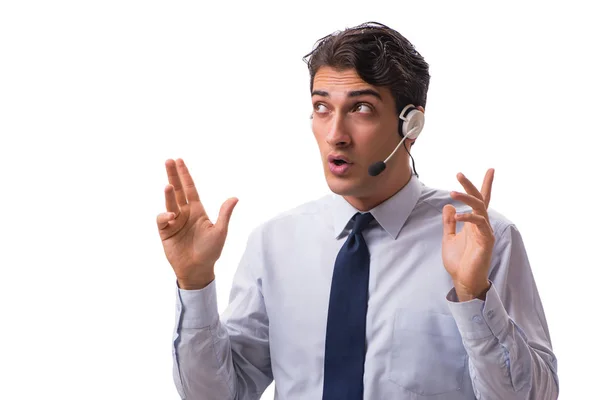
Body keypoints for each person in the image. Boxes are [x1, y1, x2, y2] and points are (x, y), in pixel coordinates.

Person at [156, 22, 558, 400]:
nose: (335, 135)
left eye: (361, 109)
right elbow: (218, 393)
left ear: (411, 125)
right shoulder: (273, 243)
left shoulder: (484, 238)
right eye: (322, 107)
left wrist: (474, 296)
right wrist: (194, 284)